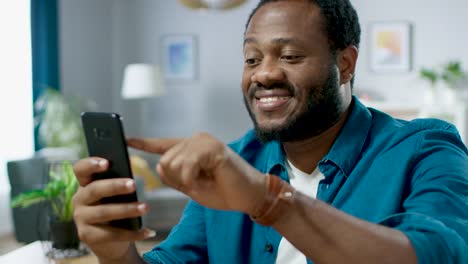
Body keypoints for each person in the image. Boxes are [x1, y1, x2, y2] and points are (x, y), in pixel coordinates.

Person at [72, 0, 468, 263]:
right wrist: (116, 252)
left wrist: (268, 201)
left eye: (290, 56)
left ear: (345, 64)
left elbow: (438, 253)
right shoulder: (234, 162)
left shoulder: (426, 147)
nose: (264, 73)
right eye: (251, 57)